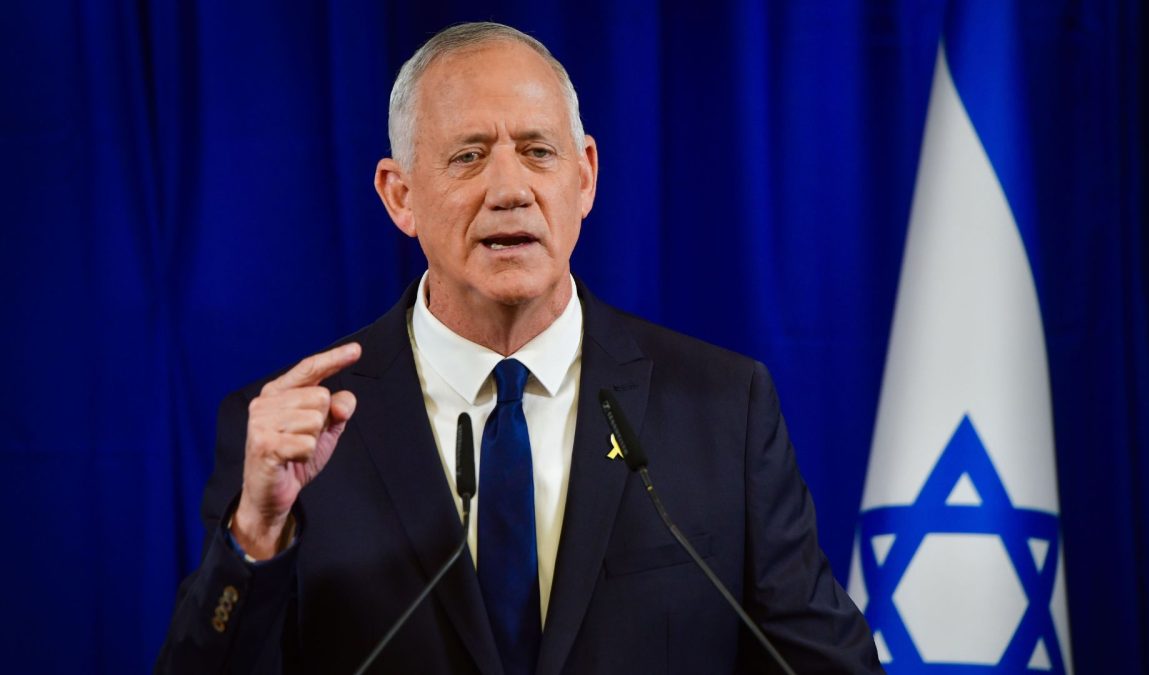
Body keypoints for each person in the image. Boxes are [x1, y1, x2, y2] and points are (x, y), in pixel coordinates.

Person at [157, 22, 882, 675]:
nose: (511, 188)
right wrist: (255, 533)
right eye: (469, 157)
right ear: (399, 195)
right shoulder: (296, 432)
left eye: (538, 152)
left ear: (585, 176)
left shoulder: (722, 409)